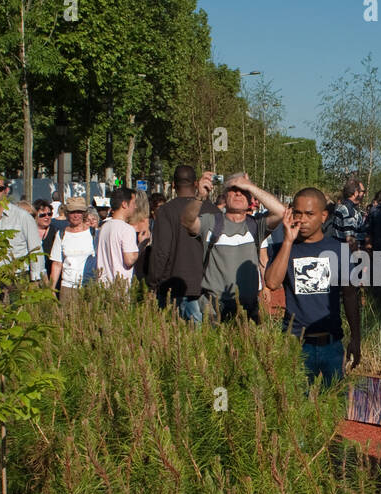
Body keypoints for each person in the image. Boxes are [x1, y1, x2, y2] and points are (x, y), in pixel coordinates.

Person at [264, 187, 361, 385]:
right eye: (298, 213)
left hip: (332, 344)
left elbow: (350, 296)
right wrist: (288, 242)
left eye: (309, 214)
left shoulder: (338, 249)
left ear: (323, 216)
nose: (302, 219)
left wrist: (356, 337)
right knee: (294, 408)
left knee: (333, 408)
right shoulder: (283, 248)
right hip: (296, 345)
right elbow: (272, 282)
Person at [181, 172, 285, 323]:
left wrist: (250, 186)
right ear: (224, 195)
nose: (238, 193)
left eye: (244, 191)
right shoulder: (210, 222)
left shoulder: (255, 225)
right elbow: (187, 221)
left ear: (250, 198)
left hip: (248, 308)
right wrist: (199, 196)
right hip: (213, 307)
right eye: (233, 189)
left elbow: (281, 212)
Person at [148, 165, 216, 322]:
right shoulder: (213, 210)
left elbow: (161, 252)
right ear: (196, 184)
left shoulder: (165, 211)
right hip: (208, 285)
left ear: (173, 185)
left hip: (176, 286)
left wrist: (153, 283)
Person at [0, 174, 45, 286]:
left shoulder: (22, 217)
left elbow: (35, 250)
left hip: (17, 278)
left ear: (6, 190)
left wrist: (35, 281)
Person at [48, 196, 97, 304]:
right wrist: (51, 288)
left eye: (79, 212)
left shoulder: (93, 234)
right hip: (68, 287)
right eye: (72, 212)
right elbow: (57, 263)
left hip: (89, 286)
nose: (76, 215)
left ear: (84, 213)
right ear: (67, 213)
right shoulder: (61, 234)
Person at [95, 186, 139, 287]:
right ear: (124, 204)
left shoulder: (104, 227)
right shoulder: (127, 229)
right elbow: (129, 259)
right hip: (120, 288)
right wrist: (140, 247)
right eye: (133, 203)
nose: (135, 207)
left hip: (103, 285)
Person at [330, 177, 367, 249]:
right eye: (363, 191)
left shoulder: (343, 207)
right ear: (356, 193)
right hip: (348, 256)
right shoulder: (349, 211)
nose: (364, 195)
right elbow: (351, 242)